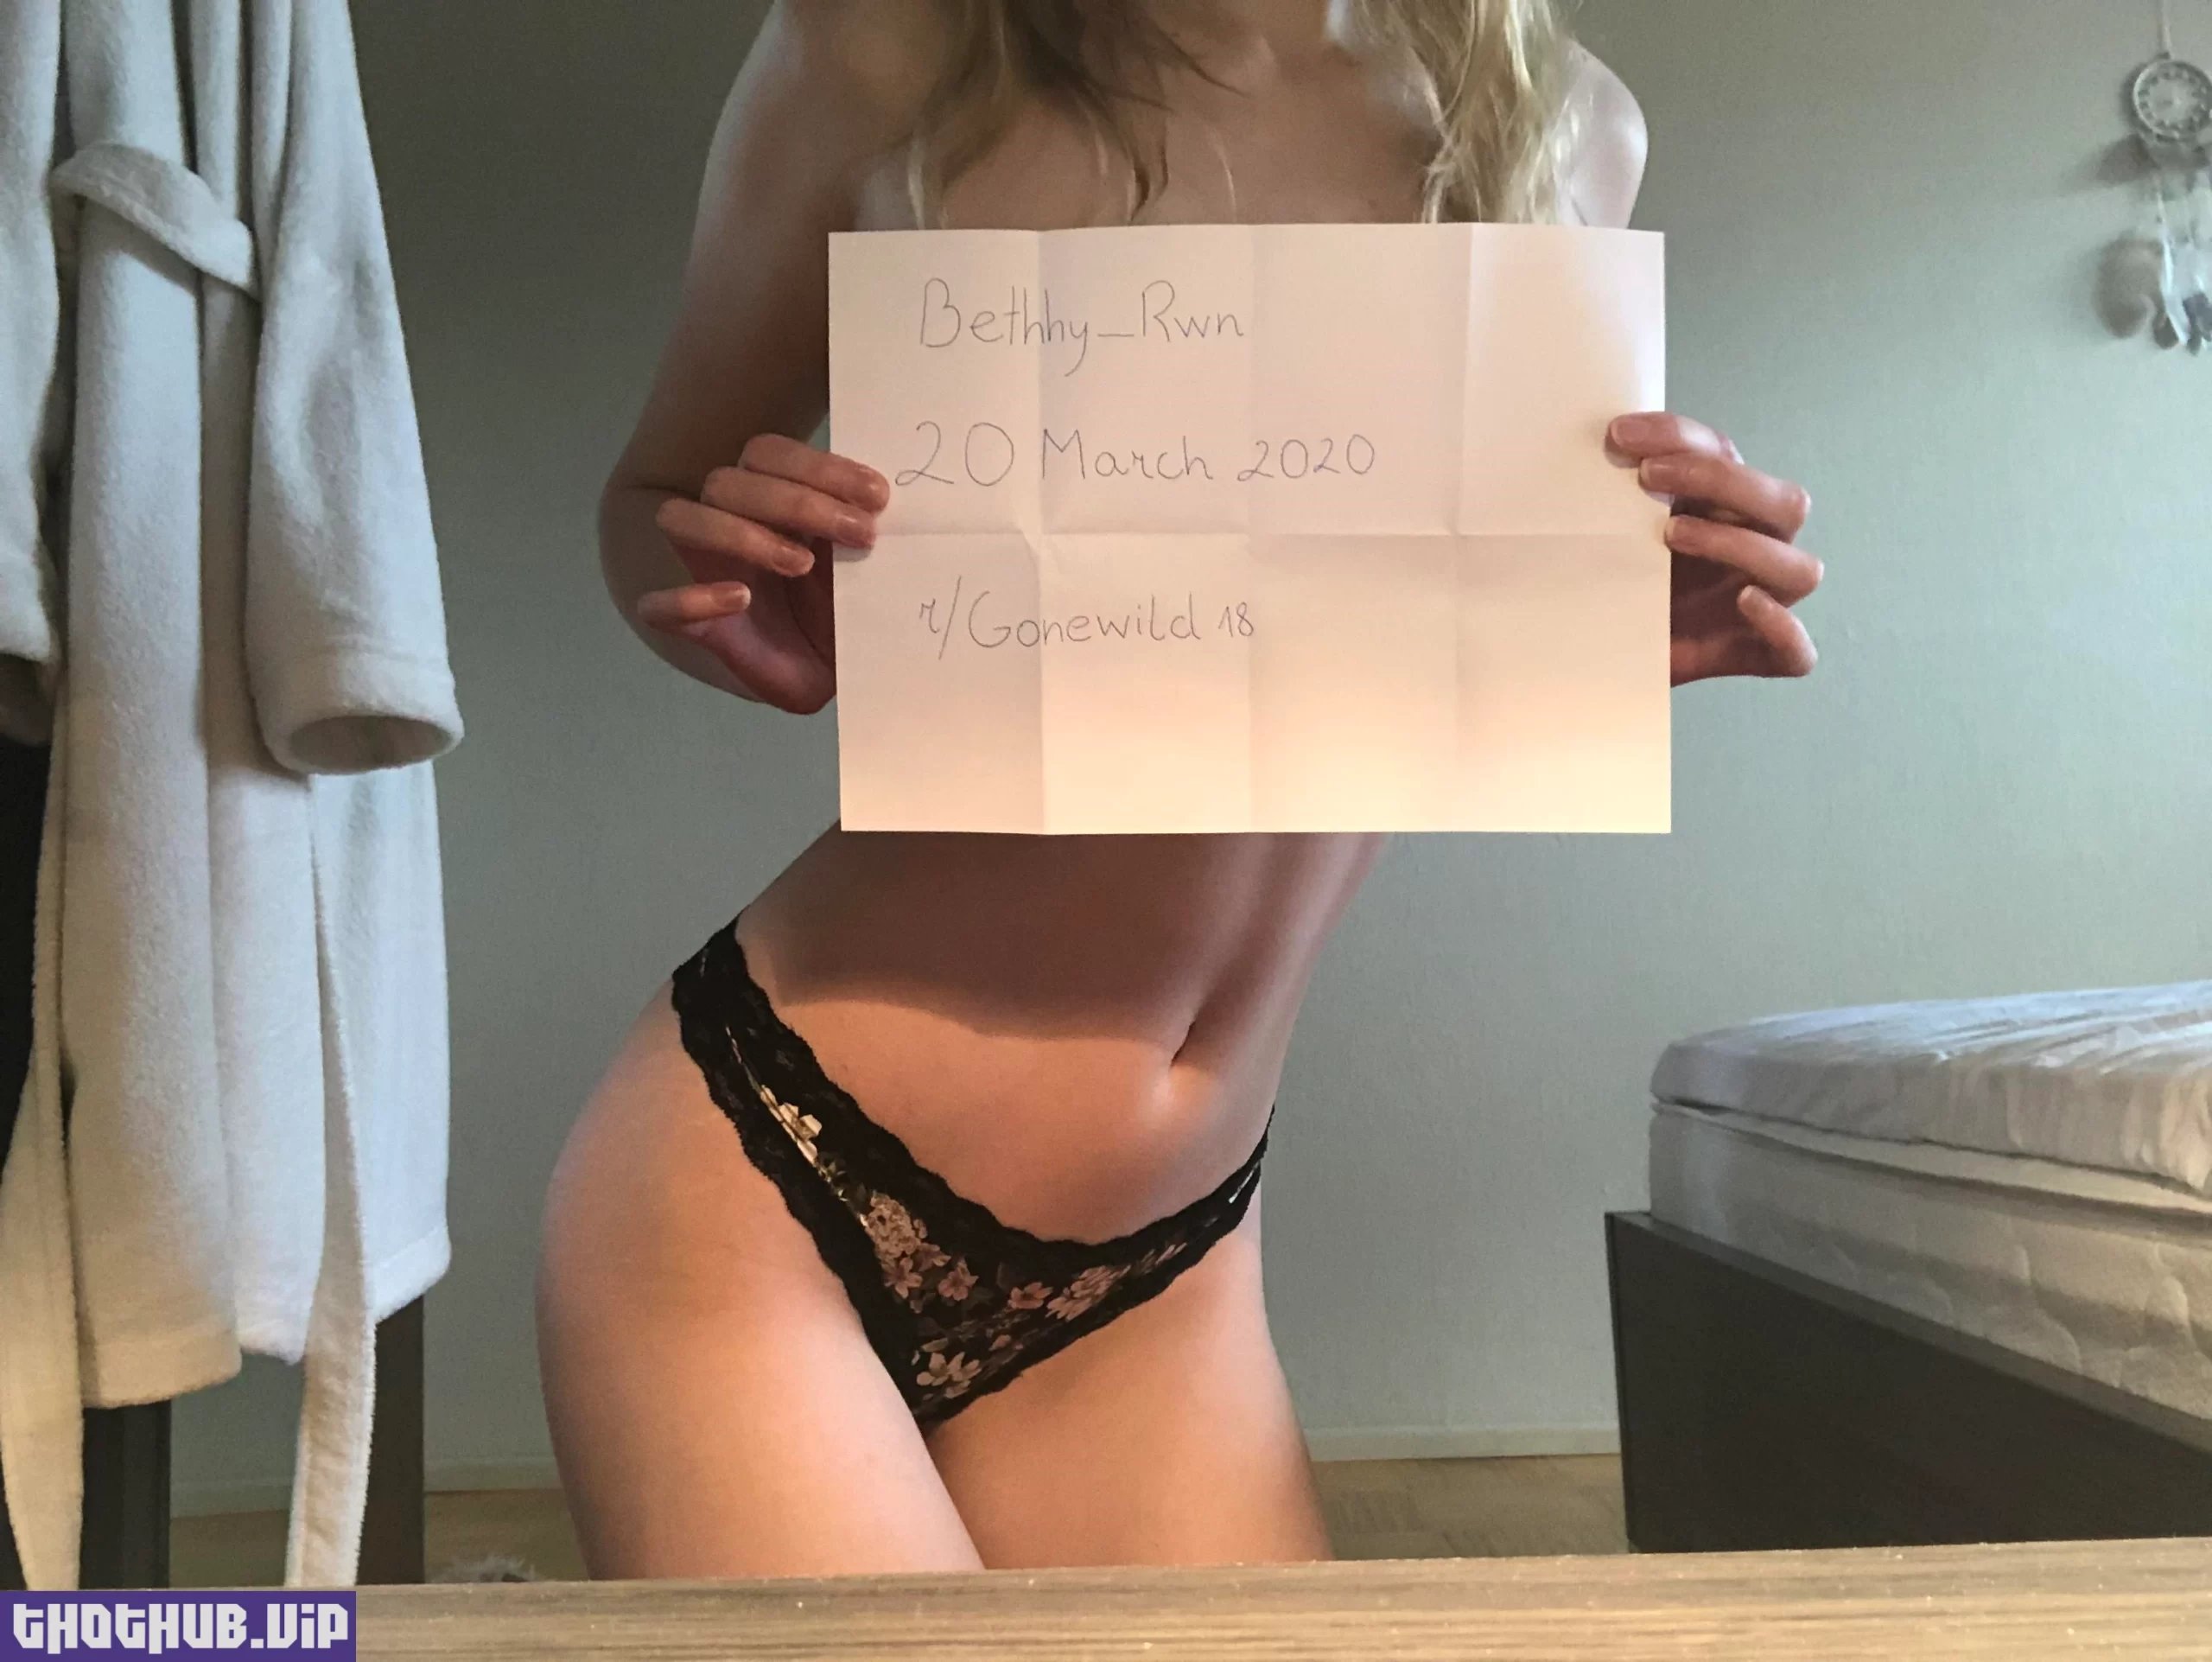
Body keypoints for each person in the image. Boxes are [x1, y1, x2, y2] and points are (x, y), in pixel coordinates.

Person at [536, 0, 1823, 1581]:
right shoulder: (883, 45)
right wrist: (726, 584)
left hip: (1171, 1255)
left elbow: (1401, 642)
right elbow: (653, 494)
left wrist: (1605, 623)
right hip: (772, 1181)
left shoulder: (1564, 124)